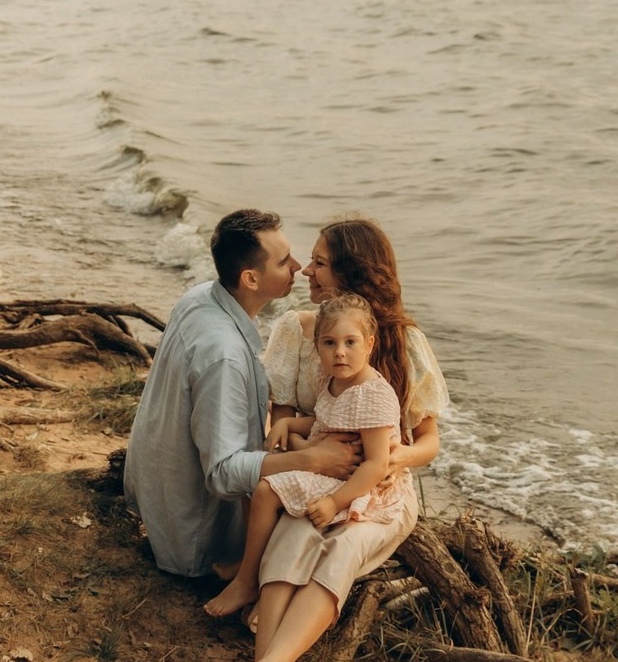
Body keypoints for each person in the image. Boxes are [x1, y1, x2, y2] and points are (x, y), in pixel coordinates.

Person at [251, 215, 450, 662]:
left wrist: (392, 459)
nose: (306, 271)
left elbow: (428, 441)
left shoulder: (402, 341)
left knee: (343, 547)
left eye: (320, 263)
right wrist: (315, 456)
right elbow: (284, 423)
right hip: (310, 473)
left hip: (378, 490)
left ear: (352, 273)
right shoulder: (295, 330)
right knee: (293, 538)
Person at [123, 208, 360, 579]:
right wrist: (313, 459)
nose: (298, 267)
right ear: (250, 278)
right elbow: (222, 473)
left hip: (160, 491)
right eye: (283, 262)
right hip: (197, 534)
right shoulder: (224, 356)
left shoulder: (201, 296)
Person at [203, 293, 412, 620]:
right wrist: (287, 422)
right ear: (317, 347)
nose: (339, 352)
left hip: (352, 482)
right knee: (256, 480)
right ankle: (249, 566)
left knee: (265, 490)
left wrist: (334, 503)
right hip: (331, 468)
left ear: (369, 345)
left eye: (350, 342)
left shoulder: (372, 393)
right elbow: (323, 421)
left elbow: (375, 464)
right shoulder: (333, 381)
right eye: (329, 343)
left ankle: (247, 581)